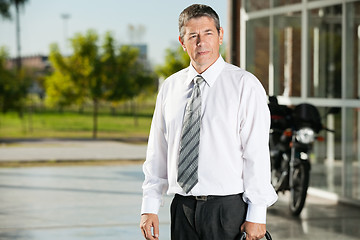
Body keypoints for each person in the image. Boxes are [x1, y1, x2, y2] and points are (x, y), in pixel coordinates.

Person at [140, 4, 277, 240]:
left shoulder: (244, 85)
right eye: (193, 36)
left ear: (220, 35)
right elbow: (157, 152)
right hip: (182, 210)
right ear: (183, 42)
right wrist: (149, 205)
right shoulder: (170, 87)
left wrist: (257, 213)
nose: (201, 42)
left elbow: (256, 154)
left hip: (227, 212)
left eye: (208, 33)